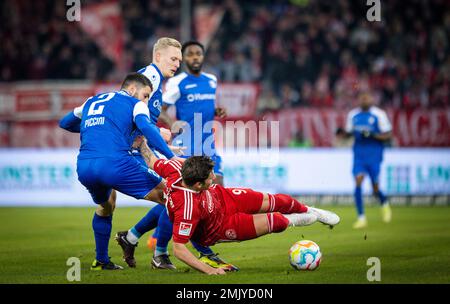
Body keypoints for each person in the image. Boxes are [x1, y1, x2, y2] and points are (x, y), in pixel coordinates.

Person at [115, 39, 234, 271]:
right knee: (180, 198)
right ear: (159, 56)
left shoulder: (210, 80)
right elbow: (153, 112)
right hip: (183, 146)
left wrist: (215, 111)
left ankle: (132, 237)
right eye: (178, 58)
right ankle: (197, 252)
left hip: (207, 144)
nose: (182, 62)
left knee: (183, 197)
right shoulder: (161, 79)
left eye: (186, 57)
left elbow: (143, 115)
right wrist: (170, 129)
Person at [135, 142, 340, 275]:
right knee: (277, 221)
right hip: (221, 226)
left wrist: (141, 143)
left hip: (226, 198)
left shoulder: (176, 168)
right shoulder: (187, 208)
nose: (214, 177)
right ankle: (308, 217)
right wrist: (209, 270)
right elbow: (179, 249)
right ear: (198, 185)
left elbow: (152, 160)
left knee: (280, 200)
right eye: (210, 177)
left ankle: (313, 211)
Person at [59, 73, 180, 270]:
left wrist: (100, 128)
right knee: (172, 195)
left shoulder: (92, 100)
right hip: (115, 163)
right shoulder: (135, 103)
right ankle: (161, 255)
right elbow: (146, 128)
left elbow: (64, 123)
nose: (146, 101)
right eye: (146, 95)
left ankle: (101, 261)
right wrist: (170, 157)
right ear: (132, 89)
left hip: (84, 166)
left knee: (106, 206)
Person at [336, 91, 392, 229]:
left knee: (375, 187)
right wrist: (342, 134)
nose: (364, 100)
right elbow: (349, 134)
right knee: (358, 181)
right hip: (359, 155)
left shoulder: (379, 114)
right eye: (361, 98)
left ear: (372, 99)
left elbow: (388, 135)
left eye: (366, 98)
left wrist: (372, 135)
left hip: (374, 155)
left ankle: (384, 203)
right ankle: (361, 218)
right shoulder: (353, 115)